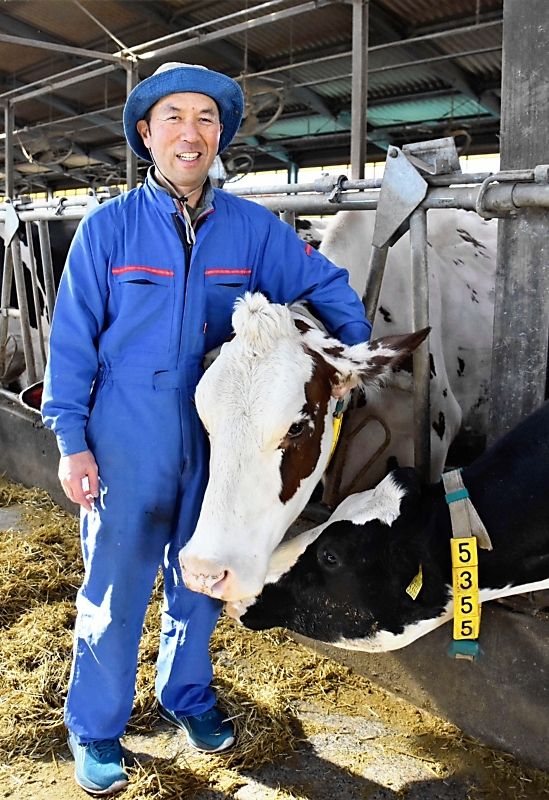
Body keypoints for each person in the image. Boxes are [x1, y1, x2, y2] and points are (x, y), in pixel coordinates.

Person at [42, 62, 372, 796]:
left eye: (206, 120)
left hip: (220, 437)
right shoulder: (107, 230)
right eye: (173, 119)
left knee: (201, 581)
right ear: (145, 135)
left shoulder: (255, 229)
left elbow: (324, 284)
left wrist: (349, 355)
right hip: (127, 434)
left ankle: (186, 698)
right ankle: (96, 730)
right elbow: (68, 345)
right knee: (117, 587)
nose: (190, 134)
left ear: (219, 136)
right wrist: (72, 441)